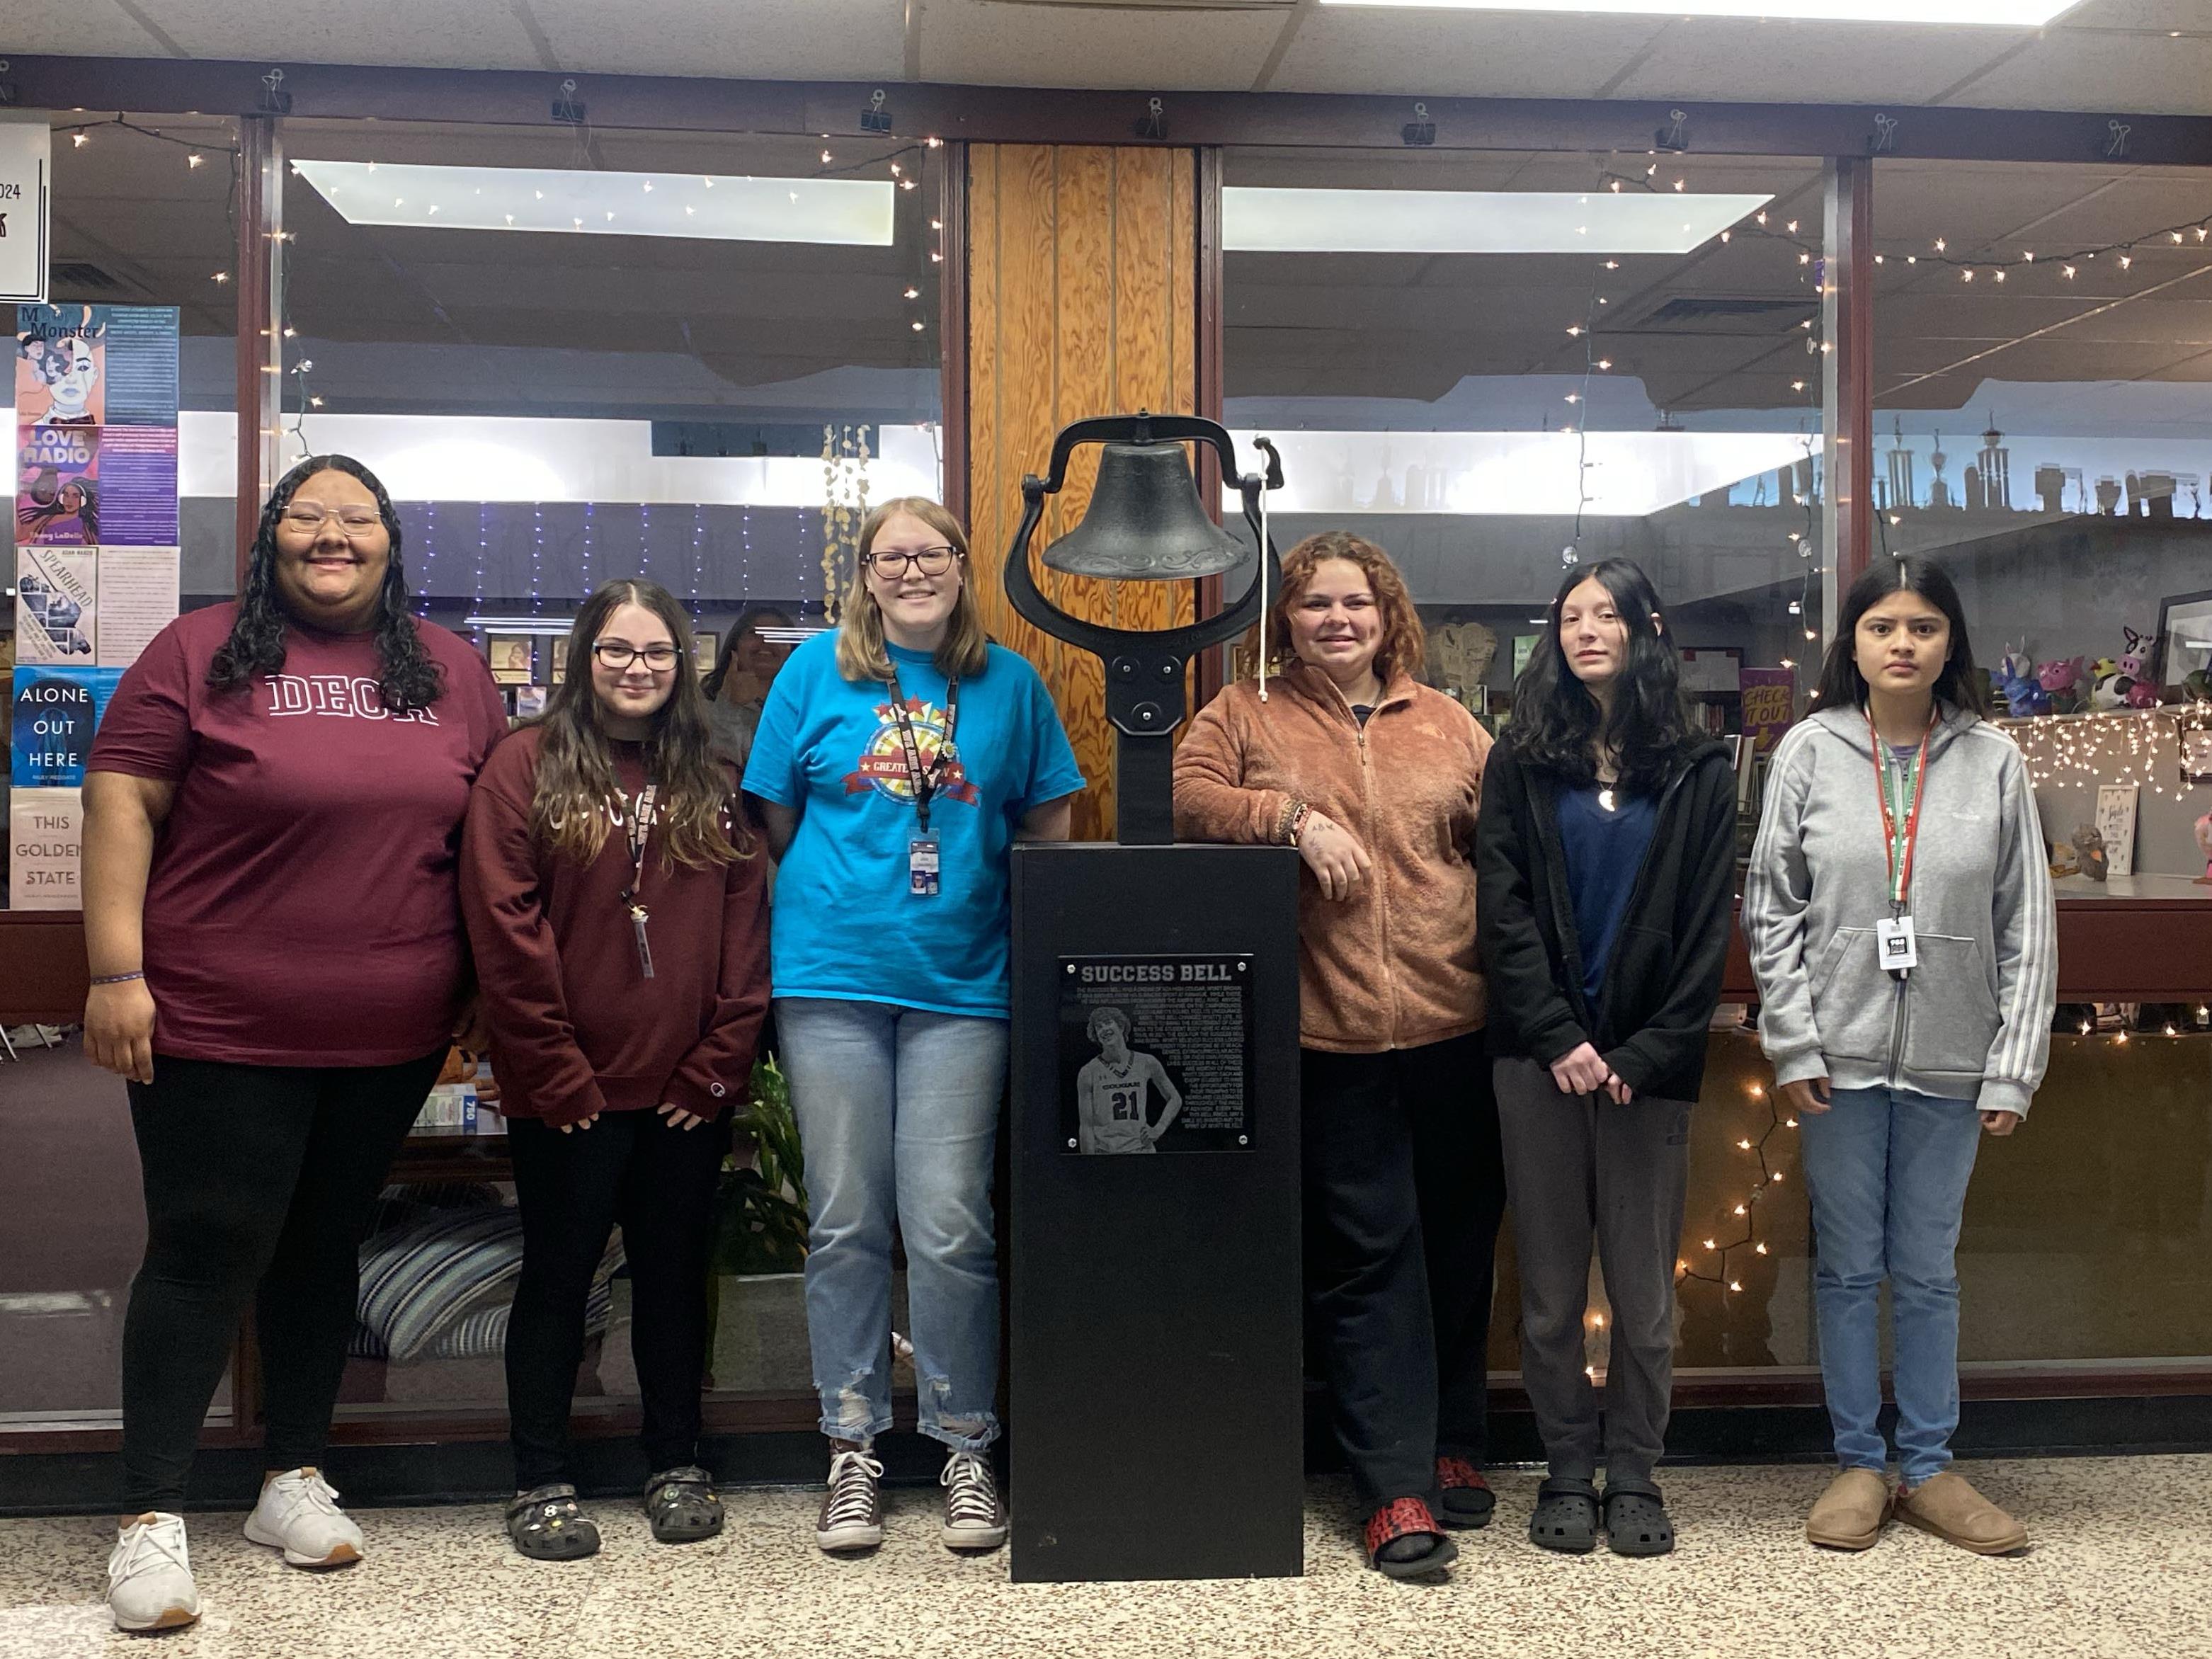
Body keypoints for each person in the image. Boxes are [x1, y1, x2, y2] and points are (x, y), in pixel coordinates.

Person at [80, 455, 508, 1633]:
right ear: (271, 538)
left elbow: (486, 834)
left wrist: (479, 983)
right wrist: (116, 969)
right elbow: (121, 800)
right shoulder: (197, 650)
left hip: (391, 1025)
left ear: (389, 541)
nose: (333, 535)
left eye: (356, 518)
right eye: (308, 516)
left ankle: (291, 1475)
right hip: (218, 1016)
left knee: (325, 1244)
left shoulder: (452, 672)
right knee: (206, 1244)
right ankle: (149, 1516)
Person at [742, 496, 1083, 1556]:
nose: (911, 569)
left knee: (947, 1221)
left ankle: (964, 1440)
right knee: (845, 1218)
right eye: (891, 555)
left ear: (960, 565)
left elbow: (1049, 820)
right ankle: (852, 1441)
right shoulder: (814, 675)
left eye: (930, 552)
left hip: (964, 986)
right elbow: (778, 818)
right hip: (833, 978)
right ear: (866, 573)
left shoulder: (1009, 684)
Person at [1174, 531, 1501, 1580]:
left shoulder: (1450, 724)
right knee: (1372, 1260)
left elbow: (1500, 848)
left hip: (1459, 1026)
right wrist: (1292, 817)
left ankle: (1454, 1437)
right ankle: (1392, 1486)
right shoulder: (1247, 711)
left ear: (1388, 612)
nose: (1336, 620)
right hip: (1334, 1036)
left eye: (1354, 602)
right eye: (1314, 603)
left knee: (1457, 1245)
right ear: (1289, 618)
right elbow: (1187, 795)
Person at [1745, 555, 2056, 1556]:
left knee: (1925, 1269)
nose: (1903, 642)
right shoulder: (1809, 748)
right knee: (1845, 1268)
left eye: (1923, 625)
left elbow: (2028, 922)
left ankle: (1927, 1465)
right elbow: (1772, 904)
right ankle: (1856, 1462)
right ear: (1855, 643)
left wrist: (2013, 1061)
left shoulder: (1995, 761)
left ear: (1950, 641)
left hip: (1954, 1065)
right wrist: (1792, 1041)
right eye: (1883, 626)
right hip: (1836, 1059)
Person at [461, 578, 770, 1561]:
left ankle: (676, 1458)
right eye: (617, 650)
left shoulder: (716, 776)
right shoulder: (524, 765)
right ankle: (541, 1472)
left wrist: (719, 1064)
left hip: (685, 1095)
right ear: (582, 658)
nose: (638, 669)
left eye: (657, 653)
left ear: (683, 667)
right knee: (557, 1278)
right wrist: (552, 1069)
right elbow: (504, 926)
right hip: (568, 1094)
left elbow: (743, 928)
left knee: (673, 1280)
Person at [1475, 559, 1737, 1559]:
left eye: (1607, 614)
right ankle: (1566, 1468)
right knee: (1547, 1295)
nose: (1587, 630)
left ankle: (1634, 1469)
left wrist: (1644, 1048)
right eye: (1570, 616)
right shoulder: (1521, 756)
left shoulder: (1702, 767)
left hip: (1648, 1067)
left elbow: (1708, 923)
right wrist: (1558, 1036)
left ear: (1647, 628)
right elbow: (1499, 908)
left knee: (1644, 1294)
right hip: (1536, 1060)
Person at [1073, 1005, 1182, 1155]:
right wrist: (1088, 1165)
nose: (1104, 1029)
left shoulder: (1147, 1062)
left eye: (1107, 1023)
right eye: (1099, 1027)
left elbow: (1175, 1098)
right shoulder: (1088, 1072)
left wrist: (1158, 1129)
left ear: (1121, 1025)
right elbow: (1086, 1126)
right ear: (1096, 1035)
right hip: (1106, 1153)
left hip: (1141, 1150)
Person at [702, 605, 797, 770]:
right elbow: (717, 764)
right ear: (735, 645)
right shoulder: (704, 701)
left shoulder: (802, 705)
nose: (766, 642)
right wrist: (731, 705)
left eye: (777, 635)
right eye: (754, 634)